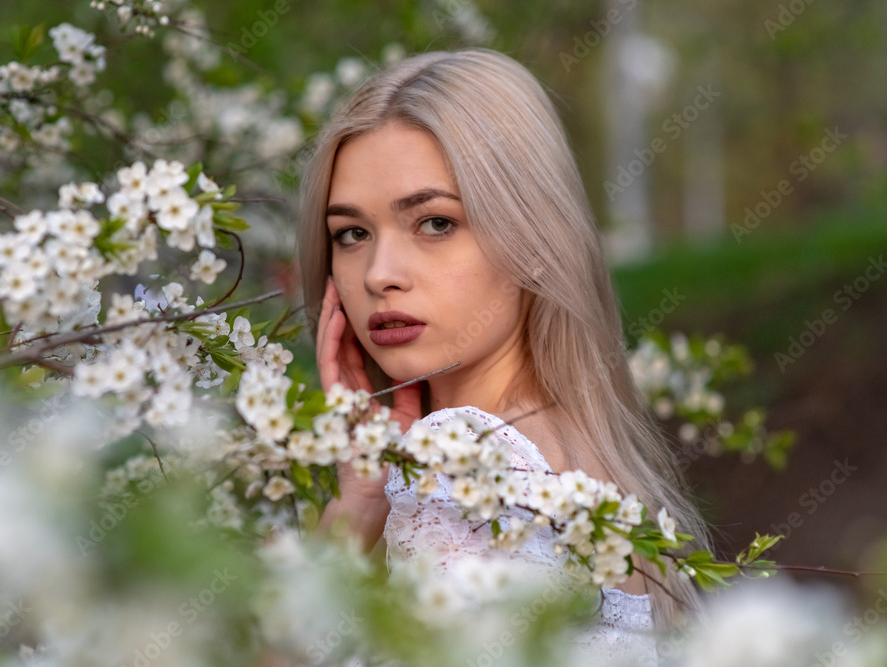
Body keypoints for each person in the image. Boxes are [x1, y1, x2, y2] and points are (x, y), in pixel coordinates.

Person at [296, 48, 709, 659]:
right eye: (352, 234)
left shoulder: (461, 467)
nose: (380, 274)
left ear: (535, 237)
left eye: (435, 223)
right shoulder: (583, 460)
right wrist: (364, 494)